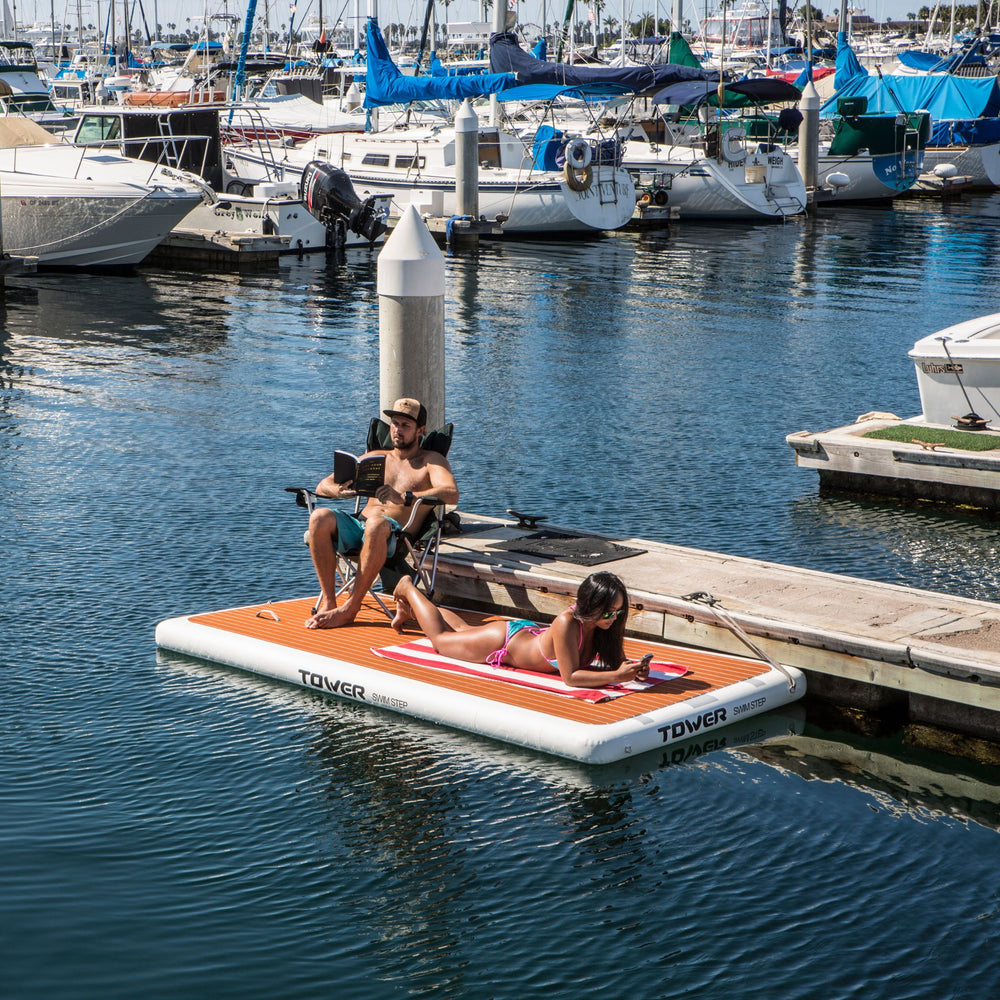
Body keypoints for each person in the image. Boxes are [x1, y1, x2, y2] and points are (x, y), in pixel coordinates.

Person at [305, 397, 459, 629]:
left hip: (395, 536)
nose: (397, 430)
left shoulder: (431, 461)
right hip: (360, 527)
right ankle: (329, 602)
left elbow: (451, 493)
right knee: (319, 517)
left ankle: (350, 609)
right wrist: (341, 492)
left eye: (405, 425)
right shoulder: (375, 458)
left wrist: (408, 497)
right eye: (395, 424)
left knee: (377, 523)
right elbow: (321, 486)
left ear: (421, 430)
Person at [391, 571, 651, 689]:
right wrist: (617, 676)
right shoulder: (567, 622)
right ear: (591, 605)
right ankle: (408, 589)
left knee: (461, 628)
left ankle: (411, 610)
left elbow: (617, 664)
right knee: (442, 640)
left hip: (526, 636)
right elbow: (570, 677)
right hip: (503, 642)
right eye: (608, 612)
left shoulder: (605, 626)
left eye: (618, 612)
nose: (614, 618)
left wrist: (633, 668)